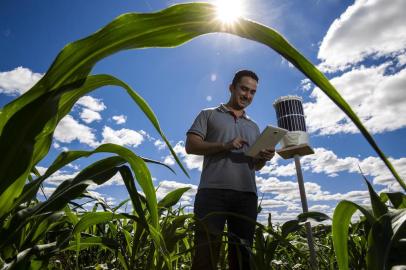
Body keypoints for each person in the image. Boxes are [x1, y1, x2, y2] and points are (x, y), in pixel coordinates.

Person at [186, 70, 275, 270]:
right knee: (205, 256)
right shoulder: (208, 114)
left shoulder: (253, 127)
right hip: (212, 194)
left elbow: (256, 166)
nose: (247, 96)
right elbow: (191, 145)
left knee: (243, 259)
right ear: (231, 87)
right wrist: (224, 145)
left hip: (246, 197)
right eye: (244, 89)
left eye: (252, 92)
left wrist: (264, 158)